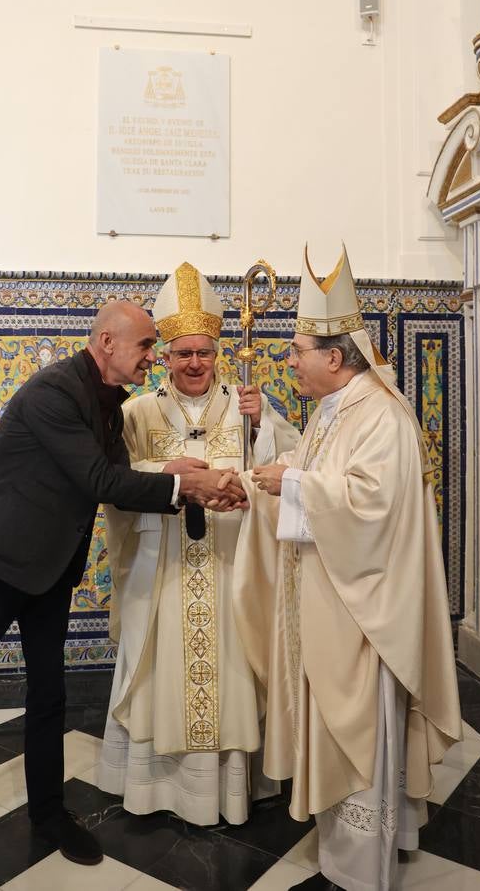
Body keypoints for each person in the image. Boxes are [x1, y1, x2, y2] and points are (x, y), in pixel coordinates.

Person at [0, 299, 245, 891]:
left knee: (49, 696)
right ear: (108, 342)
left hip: (47, 570)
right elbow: (99, 480)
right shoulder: (54, 393)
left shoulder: (107, 401)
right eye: (147, 346)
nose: (153, 358)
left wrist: (185, 482)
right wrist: (182, 482)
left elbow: (116, 485)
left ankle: (48, 814)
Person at [226, 246, 462, 890]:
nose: (290, 360)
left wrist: (293, 482)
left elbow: (370, 505)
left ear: (334, 357)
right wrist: (262, 477)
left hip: (365, 610)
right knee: (337, 722)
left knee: (362, 724)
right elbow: (308, 468)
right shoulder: (335, 410)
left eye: (298, 350)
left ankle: (364, 860)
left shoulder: (381, 414)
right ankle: (354, 838)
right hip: (332, 600)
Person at [98, 262, 300, 825]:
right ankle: (159, 789)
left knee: (235, 669)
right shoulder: (136, 411)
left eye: (204, 353)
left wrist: (261, 432)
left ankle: (232, 789)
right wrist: (172, 473)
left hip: (230, 565)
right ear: (162, 355)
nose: (194, 363)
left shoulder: (245, 405)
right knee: (160, 667)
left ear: (218, 354)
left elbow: (290, 467)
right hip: (162, 570)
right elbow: (115, 479)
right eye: (182, 353)